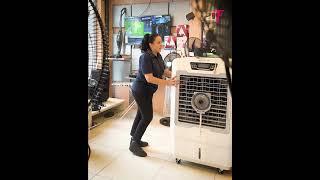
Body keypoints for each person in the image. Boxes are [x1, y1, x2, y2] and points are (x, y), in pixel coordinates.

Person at [129, 33, 178, 157]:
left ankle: (134, 138)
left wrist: (176, 75)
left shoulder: (158, 56)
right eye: (158, 42)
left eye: (161, 42)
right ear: (151, 44)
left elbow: (164, 71)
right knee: (147, 116)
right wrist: (168, 83)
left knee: (141, 114)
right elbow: (149, 78)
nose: (161, 45)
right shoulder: (145, 57)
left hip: (147, 91)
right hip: (140, 90)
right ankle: (134, 143)